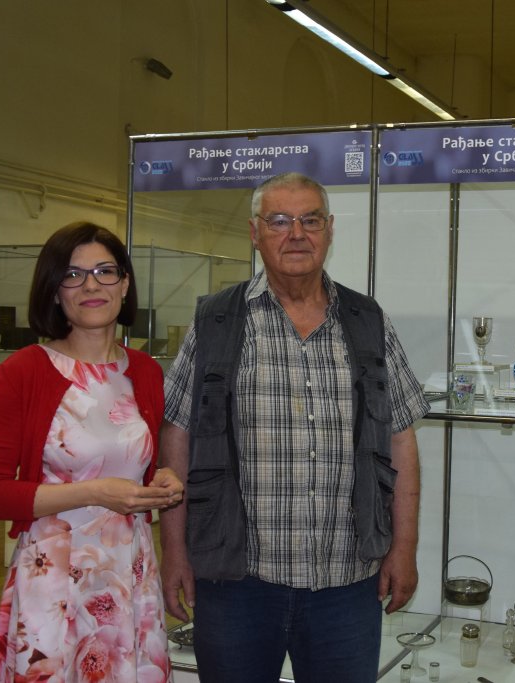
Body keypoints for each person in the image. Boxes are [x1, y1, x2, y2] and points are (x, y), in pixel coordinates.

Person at [158, 172, 430, 683]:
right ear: (254, 232)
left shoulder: (367, 319)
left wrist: (405, 548)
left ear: (329, 230)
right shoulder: (216, 320)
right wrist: (173, 550)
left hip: (346, 584)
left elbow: (400, 439)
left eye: (310, 220)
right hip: (236, 583)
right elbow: (177, 433)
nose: (296, 234)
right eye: (279, 221)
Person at [0, 222, 183, 682]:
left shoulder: (145, 371)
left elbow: (137, 466)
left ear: (124, 285)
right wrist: (94, 493)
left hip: (128, 571)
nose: (91, 285)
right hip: (53, 575)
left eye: (105, 271)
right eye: (73, 274)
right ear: (54, 291)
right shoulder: (22, 372)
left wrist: (161, 480)